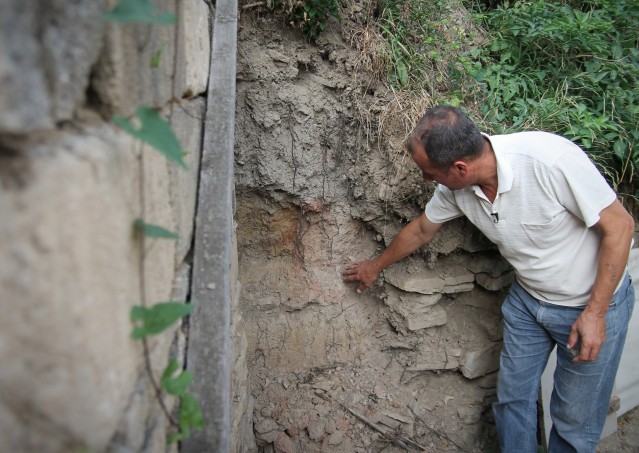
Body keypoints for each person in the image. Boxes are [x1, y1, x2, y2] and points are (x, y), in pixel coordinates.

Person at [342, 105, 635, 452]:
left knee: (574, 419)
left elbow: (620, 227)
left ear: (460, 168)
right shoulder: (455, 188)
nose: (425, 180)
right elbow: (421, 230)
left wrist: (595, 314)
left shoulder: (549, 162)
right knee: (512, 401)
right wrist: (375, 266)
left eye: (429, 172)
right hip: (528, 304)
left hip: (588, 306)